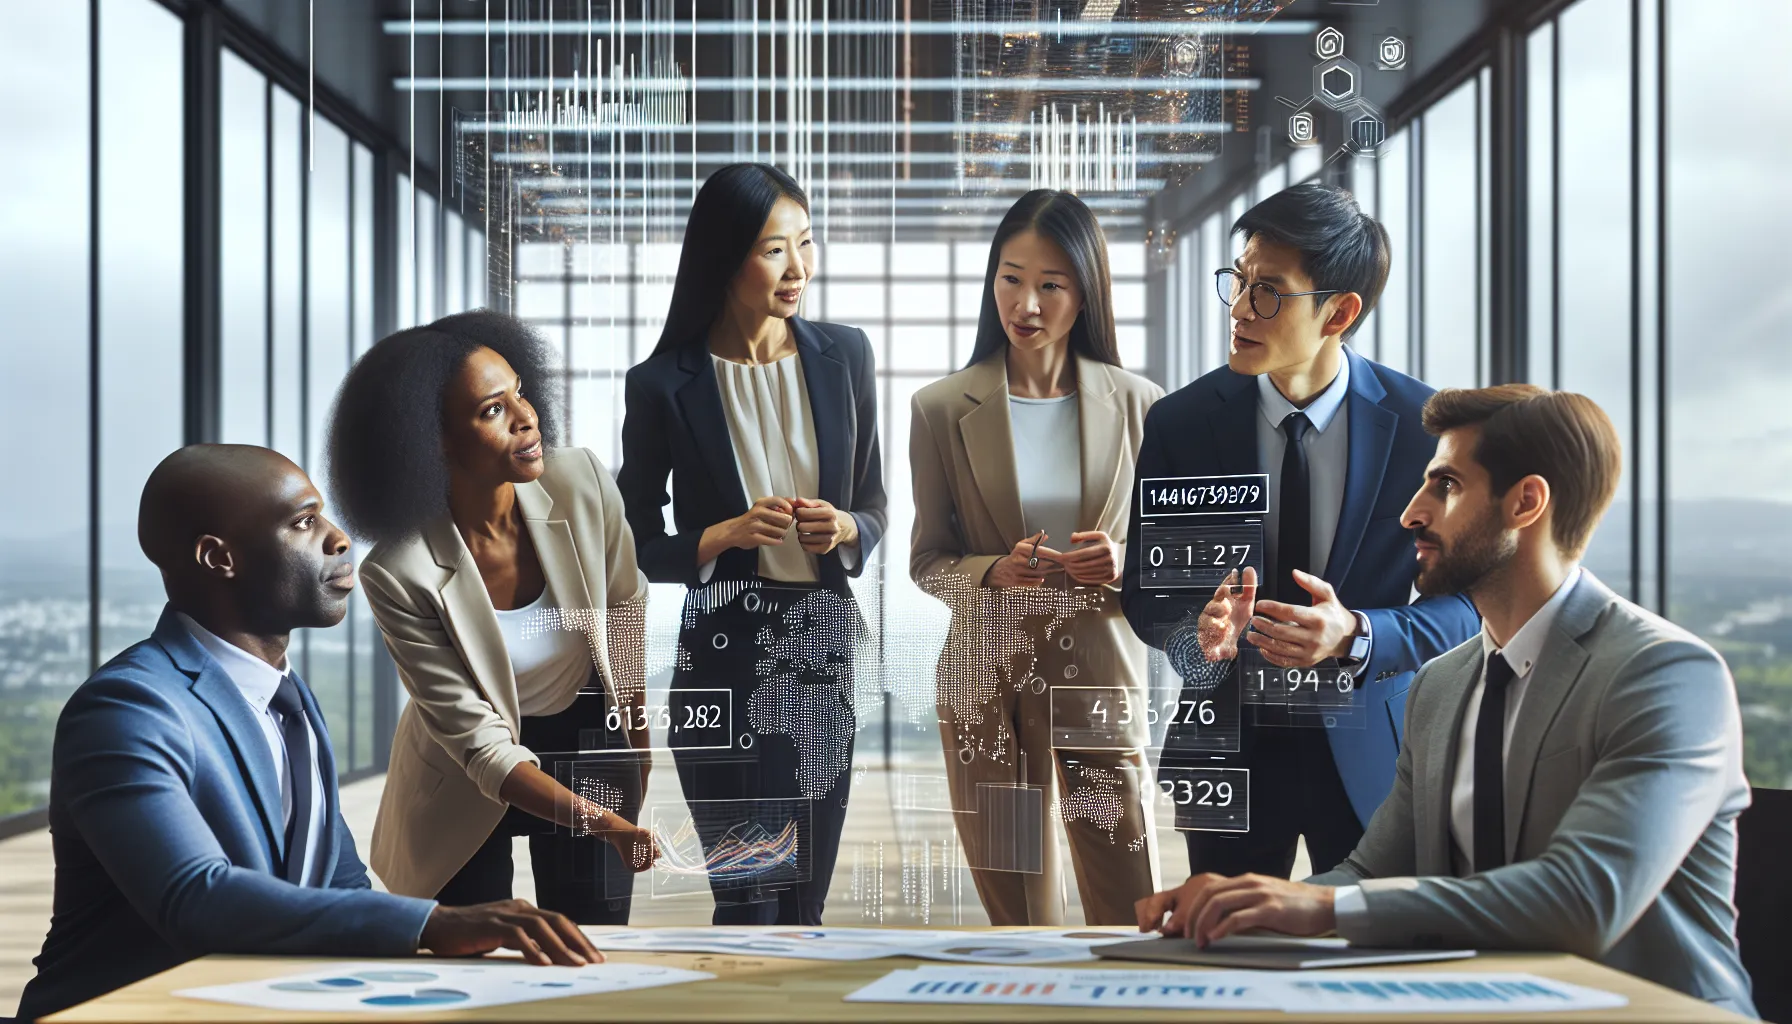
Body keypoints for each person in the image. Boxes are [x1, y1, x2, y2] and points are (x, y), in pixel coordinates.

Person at [1133, 385, 1754, 1017]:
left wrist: (1320, 905)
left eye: (1447, 485)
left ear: (1526, 502)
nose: (1411, 513)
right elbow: (1369, 878)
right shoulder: (1440, 686)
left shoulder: (1667, 675)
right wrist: (1242, 906)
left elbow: (1585, 899)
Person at [17, 445, 604, 1023]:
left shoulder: (290, 701)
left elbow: (342, 889)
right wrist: (434, 922)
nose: (338, 538)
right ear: (219, 558)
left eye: (323, 515)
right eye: (303, 522)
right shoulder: (127, 709)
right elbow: (195, 897)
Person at [1121, 183, 1478, 878]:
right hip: (1228, 749)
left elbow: (1468, 608)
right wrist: (1196, 631)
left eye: (1270, 293)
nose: (1240, 309)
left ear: (1339, 312)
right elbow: (1144, 593)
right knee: (1225, 936)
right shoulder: (1181, 423)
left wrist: (1357, 633)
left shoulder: (1425, 430)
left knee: (1366, 942)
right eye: (1239, 281)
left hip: (1372, 754)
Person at [617, 162, 885, 925]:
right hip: (721, 652)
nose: (799, 268)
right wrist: (722, 535)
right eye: (774, 250)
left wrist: (845, 528)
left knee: (804, 902)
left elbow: (873, 504)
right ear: (724, 257)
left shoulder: (846, 357)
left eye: (806, 242)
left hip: (821, 644)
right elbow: (636, 541)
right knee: (746, 897)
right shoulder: (662, 383)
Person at [327, 311, 658, 922]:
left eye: (520, 393)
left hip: (586, 735)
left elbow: (623, 617)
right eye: (493, 410)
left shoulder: (582, 481)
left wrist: (639, 754)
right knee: (473, 951)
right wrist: (607, 822)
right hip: (464, 774)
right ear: (433, 441)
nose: (526, 417)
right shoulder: (398, 570)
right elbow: (481, 748)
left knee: (594, 941)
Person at [909, 189, 1163, 925]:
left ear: (1086, 294)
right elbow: (928, 559)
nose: (1025, 304)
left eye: (1051, 284)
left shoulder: (1142, 404)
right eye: (1010, 279)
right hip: (985, 677)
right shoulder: (940, 408)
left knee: (1128, 900)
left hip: (1101, 670)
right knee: (1018, 912)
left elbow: (1171, 553)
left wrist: (1123, 561)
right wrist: (992, 570)